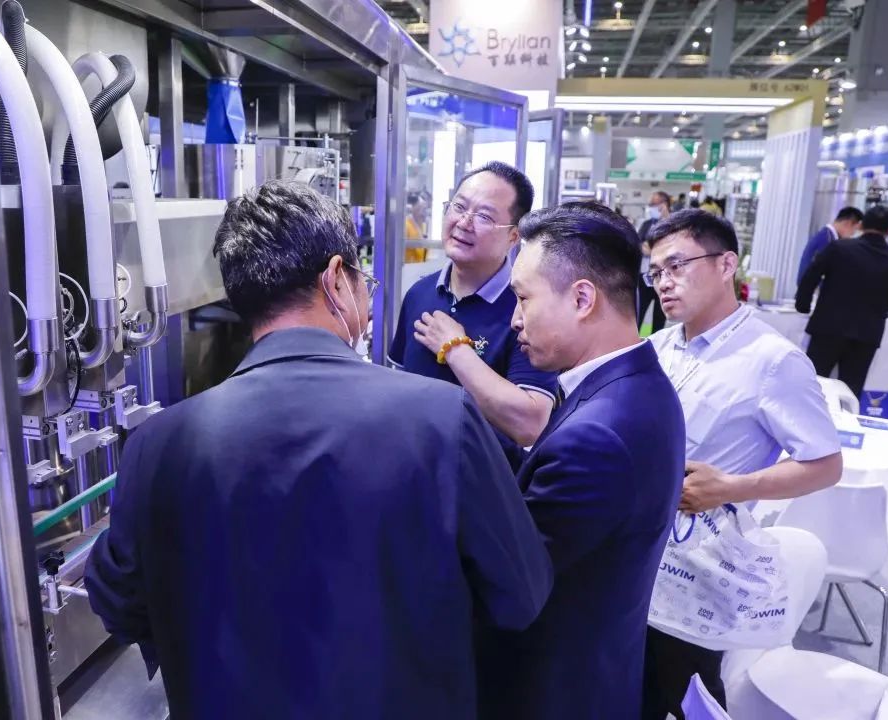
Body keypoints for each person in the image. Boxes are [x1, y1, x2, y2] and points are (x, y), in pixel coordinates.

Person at [85, 181, 553, 719]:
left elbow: (118, 603)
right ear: (335, 279)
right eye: (363, 282)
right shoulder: (442, 418)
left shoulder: (158, 444)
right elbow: (520, 593)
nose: (367, 304)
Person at [477, 202, 687, 720]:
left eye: (523, 297)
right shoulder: (637, 385)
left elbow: (510, 585)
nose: (515, 319)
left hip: (552, 690)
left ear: (582, 298)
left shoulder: (599, 434)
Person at [643, 209, 843, 718]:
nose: (664, 282)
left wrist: (732, 486)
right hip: (635, 550)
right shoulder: (659, 346)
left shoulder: (772, 360)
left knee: (685, 692)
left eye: (677, 266)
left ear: (726, 264)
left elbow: (825, 464)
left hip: (697, 567)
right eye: (656, 271)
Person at [390, 161, 557, 452]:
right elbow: (396, 387)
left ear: (513, 235)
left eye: (483, 216)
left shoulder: (527, 307)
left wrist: (456, 349)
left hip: (486, 476)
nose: (464, 223)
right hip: (414, 468)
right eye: (458, 207)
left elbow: (531, 423)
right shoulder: (419, 293)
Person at [796, 205, 888, 399]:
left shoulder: (839, 248)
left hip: (828, 327)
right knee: (850, 392)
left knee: (813, 386)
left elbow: (810, 277)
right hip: (867, 333)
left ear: (862, 225)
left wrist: (803, 305)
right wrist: (876, 310)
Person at [796, 206, 863, 286]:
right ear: (848, 223)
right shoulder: (827, 240)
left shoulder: (828, 236)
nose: (852, 234)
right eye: (854, 229)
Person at [637, 191, 670, 333]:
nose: (651, 207)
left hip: (662, 277)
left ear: (664, 205)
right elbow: (639, 244)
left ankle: (657, 343)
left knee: (659, 316)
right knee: (639, 313)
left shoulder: (672, 224)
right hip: (644, 276)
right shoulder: (646, 224)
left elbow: (669, 246)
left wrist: (653, 250)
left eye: (654, 204)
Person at [404, 191, 430, 262]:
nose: (424, 212)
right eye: (421, 208)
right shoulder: (407, 225)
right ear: (414, 209)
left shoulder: (424, 226)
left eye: (425, 209)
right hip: (410, 266)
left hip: (421, 265)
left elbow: (425, 248)